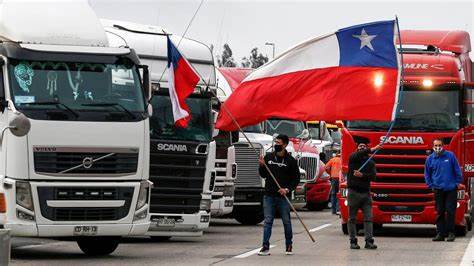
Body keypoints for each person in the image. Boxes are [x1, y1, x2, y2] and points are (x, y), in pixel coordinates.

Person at [258, 134, 300, 256]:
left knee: (286, 221)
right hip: (269, 195)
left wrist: (287, 189)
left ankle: (289, 245)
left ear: (285, 145)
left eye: (279, 143)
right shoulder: (268, 157)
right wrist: (261, 166)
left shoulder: (291, 161)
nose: (276, 144)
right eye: (275, 142)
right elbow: (264, 175)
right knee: (268, 221)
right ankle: (265, 246)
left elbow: (295, 179)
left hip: (283, 197)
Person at [424, 138, 462, 242]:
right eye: (435, 145)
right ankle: (440, 233)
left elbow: (457, 169)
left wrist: (457, 183)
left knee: (450, 211)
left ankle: (451, 233)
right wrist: (430, 185)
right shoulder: (430, 159)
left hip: (451, 189)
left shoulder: (450, 156)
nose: (437, 147)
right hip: (438, 189)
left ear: (443, 145)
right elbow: (427, 174)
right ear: (433, 146)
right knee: (439, 212)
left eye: (439, 145)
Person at [347, 141, 381, 250]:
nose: (362, 148)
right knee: (352, 219)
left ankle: (369, 241)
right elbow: (357, 155)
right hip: (353, 192)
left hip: (366, 193)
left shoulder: (370, 162)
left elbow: (374, 177)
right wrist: (372, 148)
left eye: (364, 146)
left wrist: (362, 175)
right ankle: (353, 241)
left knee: (368, 218)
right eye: (360, 146)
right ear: (357, 149)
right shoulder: (353, 158)